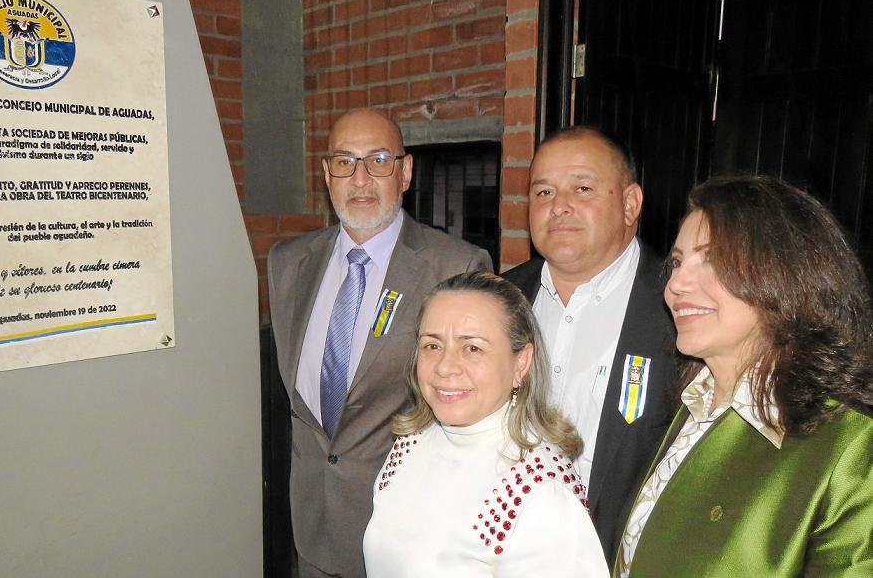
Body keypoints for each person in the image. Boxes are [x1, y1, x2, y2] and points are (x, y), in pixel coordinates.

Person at [268, 108, 492, 578]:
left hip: (405, 532)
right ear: (326, 174)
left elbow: (479, 413)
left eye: (379, 160)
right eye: (345, 162)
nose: (360, 178)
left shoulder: (455, 266)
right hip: (310, 524)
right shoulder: (287, 262)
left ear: (405, 172)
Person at [616, 176, 873, 577]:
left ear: (785, 274)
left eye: (712, 259)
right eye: (678, 262)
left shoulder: (849, 445)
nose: (676, 284)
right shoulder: (694, 406)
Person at [501, 126, 677, 560]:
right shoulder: (498, 301)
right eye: (543, 192)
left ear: (630, 204)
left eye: (582, 188)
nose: (559, 206)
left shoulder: (680, 309)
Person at [363, 271, 609, 577]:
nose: (445, 367)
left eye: (473, 348)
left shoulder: (543, 494)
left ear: (521, 363)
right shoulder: (411, 444)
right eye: (432, 346)